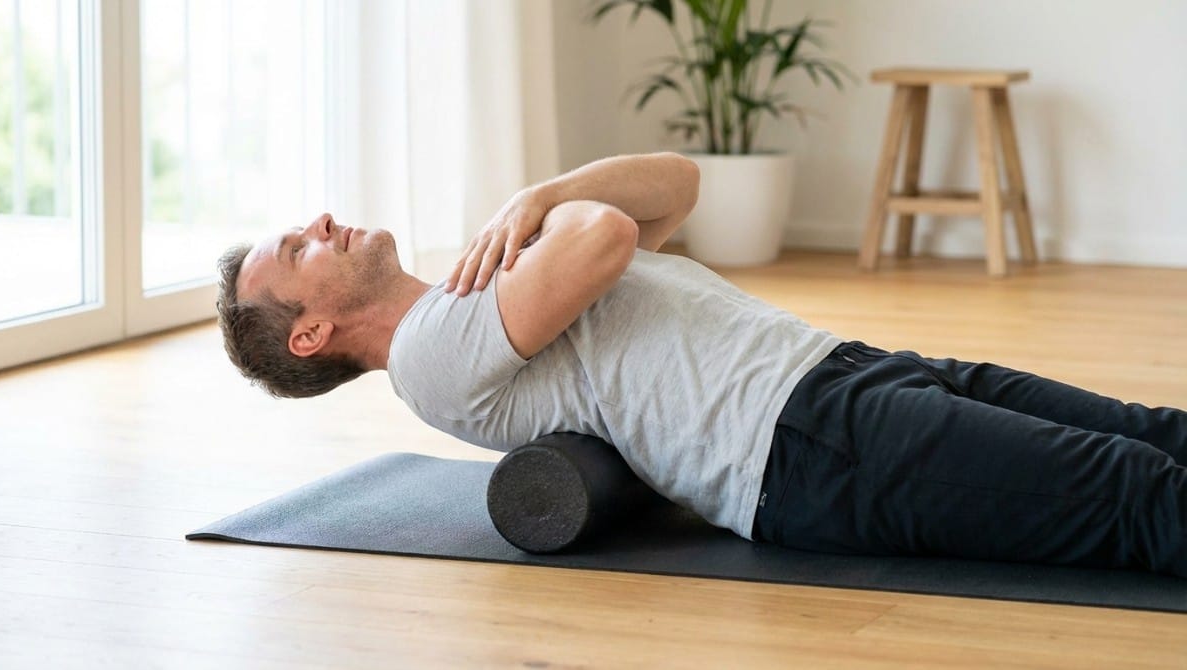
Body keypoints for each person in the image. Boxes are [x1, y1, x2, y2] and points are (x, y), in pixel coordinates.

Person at [217, 152, 1187, 576]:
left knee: (1149, 435)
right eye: (300, 251)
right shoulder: (431, 353)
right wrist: (547, 203)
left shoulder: (478, 287)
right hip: (809, 450)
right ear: (310, 335)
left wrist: (545, 192)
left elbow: (674, 186)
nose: (323, 225)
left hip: (837, 376)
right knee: (1140, 494)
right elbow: (600, 238)